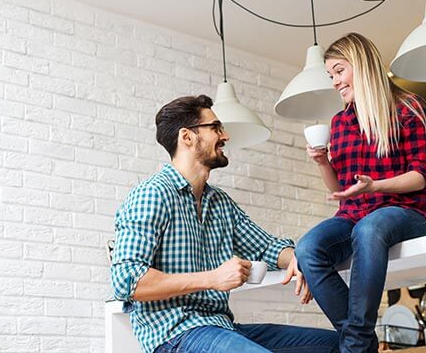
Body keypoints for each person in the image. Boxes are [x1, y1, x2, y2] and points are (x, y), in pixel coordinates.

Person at [111, 95, 339, 353]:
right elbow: (128, 281)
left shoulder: (218, 202)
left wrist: (299, 258)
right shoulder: (152, 194)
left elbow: (266, 247)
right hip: (175, 334)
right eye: (216, 127)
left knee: (338, 345)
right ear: (187, 137)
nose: (226, 136)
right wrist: (213, 278)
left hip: (222, 327)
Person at [295, 33, 426, 353]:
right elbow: (342, 192)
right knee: (308, 249)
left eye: (339, 71)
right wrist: (322, 162)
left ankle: (356, 342)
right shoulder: (340, 122)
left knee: (369, 228)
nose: (334, 82)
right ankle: (360, 342)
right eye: (331, 75)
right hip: (355, 213)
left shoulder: (409, 107)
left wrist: (376, 185)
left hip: (407, 211)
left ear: (362, 65)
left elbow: (420, 177)